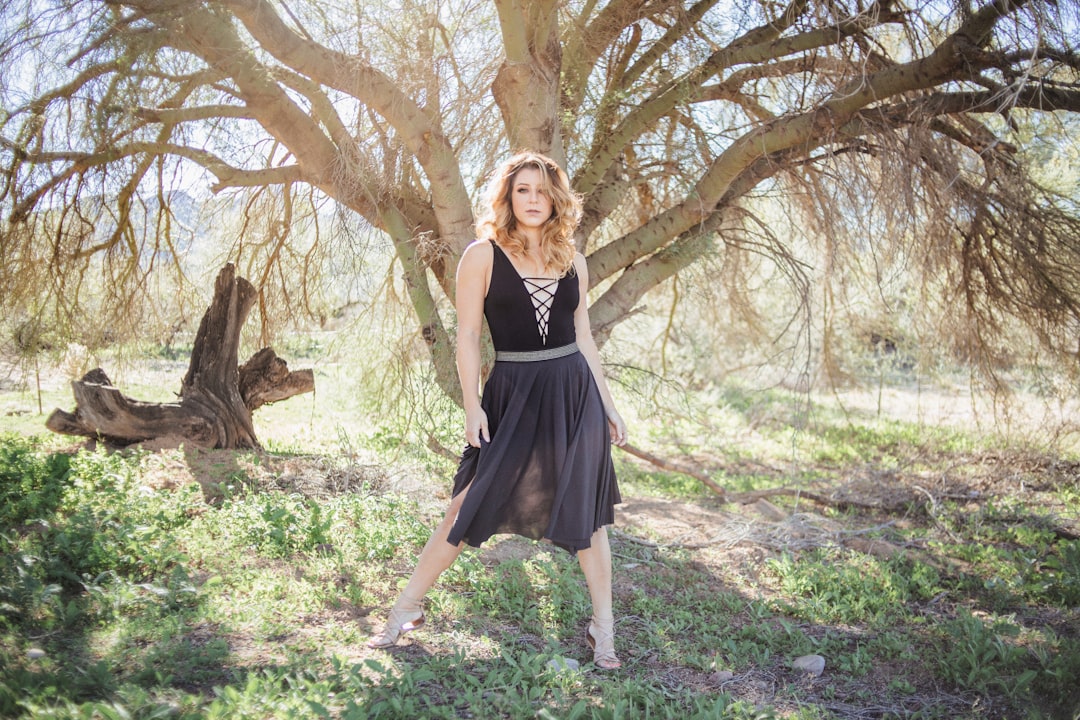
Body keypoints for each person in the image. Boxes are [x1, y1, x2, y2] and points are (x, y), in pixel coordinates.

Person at [366, 151, 627, 669]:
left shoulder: (573, 259)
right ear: (508, 198)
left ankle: (604, 630)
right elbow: (466, 337)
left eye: (543, 190)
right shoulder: (481, 256)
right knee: (465, 504)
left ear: (558, 199)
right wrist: (471, 407)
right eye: (523, 190)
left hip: (574, 393)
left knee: (589, 519)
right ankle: (406, 609)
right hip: (513, 391)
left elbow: (584, 338)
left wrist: (609, 404)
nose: (534, 200)